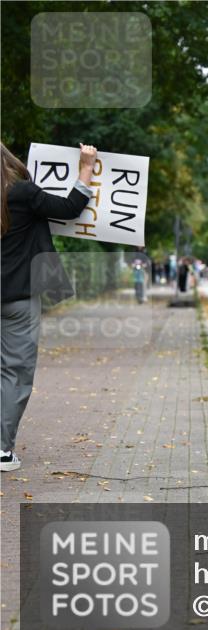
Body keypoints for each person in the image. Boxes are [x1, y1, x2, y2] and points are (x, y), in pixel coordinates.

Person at [1, 142, 97, 472]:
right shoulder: (22, 193)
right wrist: (86, 166)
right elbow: (70, 207)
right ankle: (1, 450)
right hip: (18, 296)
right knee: (15, 371)